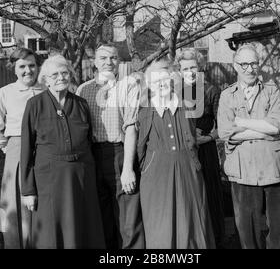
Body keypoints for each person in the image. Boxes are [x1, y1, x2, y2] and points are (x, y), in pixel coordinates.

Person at [20, 55, 105, 249]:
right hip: (49, 180)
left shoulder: (81, 104)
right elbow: (26, 149)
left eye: (65, 73)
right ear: (46, 79)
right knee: (51, 234)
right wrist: (28, 190)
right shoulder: (34, 105)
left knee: (84, 230)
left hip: (81, 178)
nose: (61, 77)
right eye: (55, 74)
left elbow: (89, 142)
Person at [218, 44, 280, 249]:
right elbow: (225, 131)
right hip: (243, 169)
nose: (249, 69)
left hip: (275, 166)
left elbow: (277, 125)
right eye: (244, 64)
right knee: (247, 230)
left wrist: (241, 123)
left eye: (253, 63)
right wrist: (265, 130)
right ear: (235, 65)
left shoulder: (272, 91)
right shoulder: (227, 96)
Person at [137, 57, 215, 249]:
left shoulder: (187, 105)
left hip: (187, 169)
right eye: (156, 81)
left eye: (165, 79)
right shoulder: (143, 111)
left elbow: (193, 136)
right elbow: (140, 148)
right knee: (160, 222)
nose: (161, 84)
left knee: (191, 217)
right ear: (149, 85)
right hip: (156, 174)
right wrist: (147, 167)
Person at [76, 44, 144, 249]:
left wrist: (128, 168)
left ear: (119, 62)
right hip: (92, 155)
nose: (108, 62)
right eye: (103, 58)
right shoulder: (83, 90)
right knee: (101, 217)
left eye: (113, 58)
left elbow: (131, 127)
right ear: (95, 62)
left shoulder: (129, 86)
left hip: (120, 152)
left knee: (127, 218)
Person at [177, 48, 225, 248]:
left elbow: (223, 125)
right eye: (185, 68)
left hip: (205, 150)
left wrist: (205, 138)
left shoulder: (211, 90)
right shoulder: (172, 91)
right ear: (179, 71)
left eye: (193, 67)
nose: (189, 72)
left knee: (210, 195)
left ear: (200, 68)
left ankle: (216, 240)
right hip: (181, 151)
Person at [0, 48, 44, 249]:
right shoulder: (4, 93)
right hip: (16, 152)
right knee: (16, 208)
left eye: (32, 65)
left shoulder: (47, 90)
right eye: (22, 66)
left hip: (45, 151)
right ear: (14, 68)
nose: (28, 70)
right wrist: (11, 149)